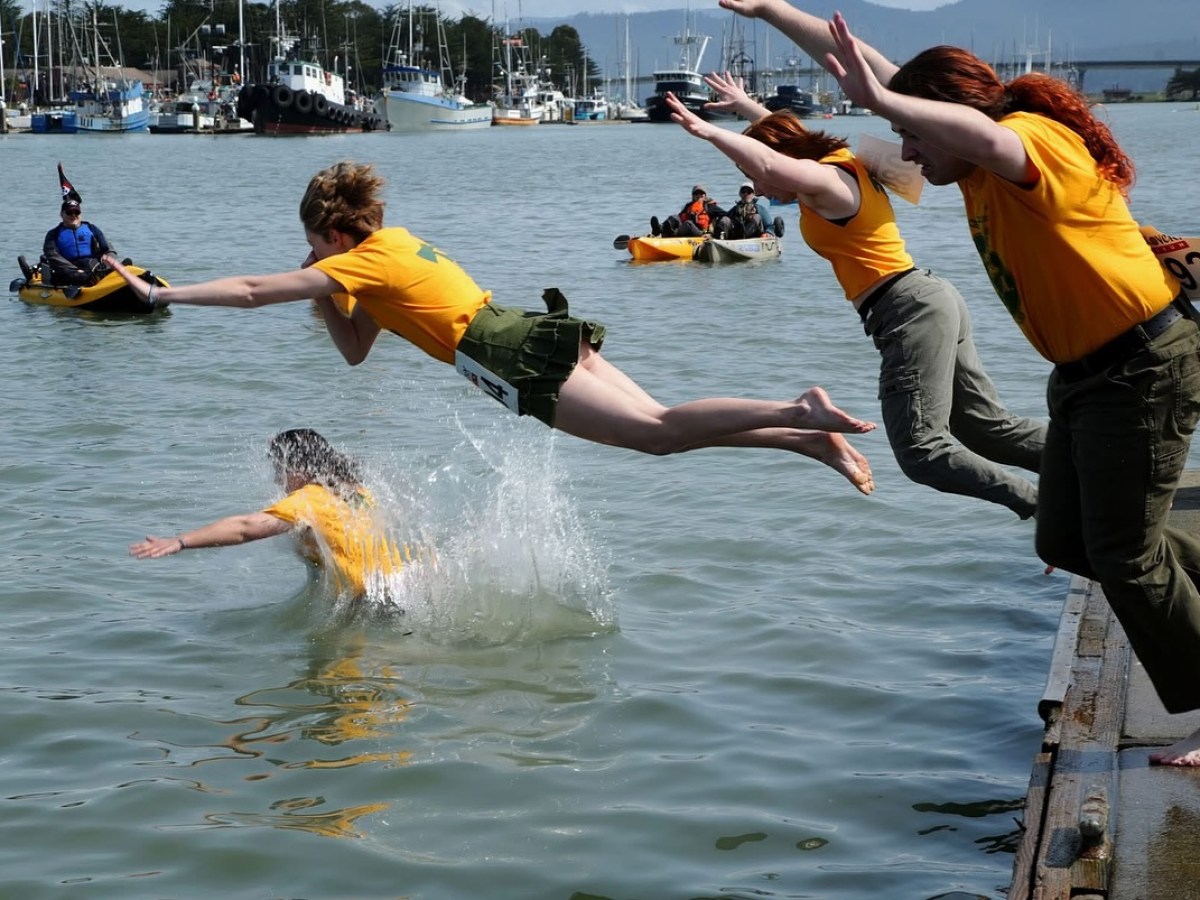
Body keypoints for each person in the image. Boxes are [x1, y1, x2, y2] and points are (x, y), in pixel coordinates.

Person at [810, 9, 1200, 764]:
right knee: (1066, 538)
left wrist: (888, 103)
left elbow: (976, 131)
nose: (908, 157)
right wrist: (774, 12)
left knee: (1124, 554)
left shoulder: (1030, 144)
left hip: (1143, 365)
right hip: (1086, 376)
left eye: (917, 137)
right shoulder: (978, 169)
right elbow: (892, 81)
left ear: (955, 121)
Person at [107, 160, 877, 494]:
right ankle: (806, 440)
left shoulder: (359, 263)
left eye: (312, 244)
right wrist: (323, 293)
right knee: (660, 427)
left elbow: (247, 290)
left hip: (501, 353)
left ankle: (795, 409)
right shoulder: (390, 248)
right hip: (526, 330)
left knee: (661, 431)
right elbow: (353, 352)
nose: (307, 256)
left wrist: (165, 296)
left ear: (332, 233)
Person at [665, 77, 1046, 519]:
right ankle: (1100, 461)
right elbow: (785, 142)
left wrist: (709, 131)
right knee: (986, 430)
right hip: (930, 298)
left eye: (751, 178)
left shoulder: (828, 183)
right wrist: (748, 108)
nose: (760, 189)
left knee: (921, 451)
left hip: (907, 309)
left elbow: (771, 165)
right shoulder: (847, 161)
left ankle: (1045, 506)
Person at [131, 429, 415, 598]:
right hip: (405, 589)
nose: (278, 480)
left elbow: (246, 527)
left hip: (369, 603)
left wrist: (181, 541)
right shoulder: (357, 490)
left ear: (298, 469)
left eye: (279, 469)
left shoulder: (309, 500)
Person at [42, 197, 115, 286]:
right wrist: (74, 269)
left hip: (92, 266)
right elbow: (51, 255)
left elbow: (109, 249)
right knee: (79, 276)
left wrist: (108, 261)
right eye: (69, 212)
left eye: (77, 212)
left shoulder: (92, 229)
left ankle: (107, 275)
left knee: (105, 267)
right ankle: (91, 280)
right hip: (69, 270)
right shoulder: (53, 234)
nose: (73, 215)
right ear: (62, 214)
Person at [652, 184, 730, 238]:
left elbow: (726, 215)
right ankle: (659, 229)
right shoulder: (688, 206)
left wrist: (712, 233)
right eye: (696, 193)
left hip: (700, 233)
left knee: (688, 224)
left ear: (705, 196)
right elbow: (679, 218)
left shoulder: (710, 206)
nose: (699, 195)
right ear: (692, 196)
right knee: (674, 217)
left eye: (701, 193)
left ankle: (670, 233)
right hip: (684, 230)